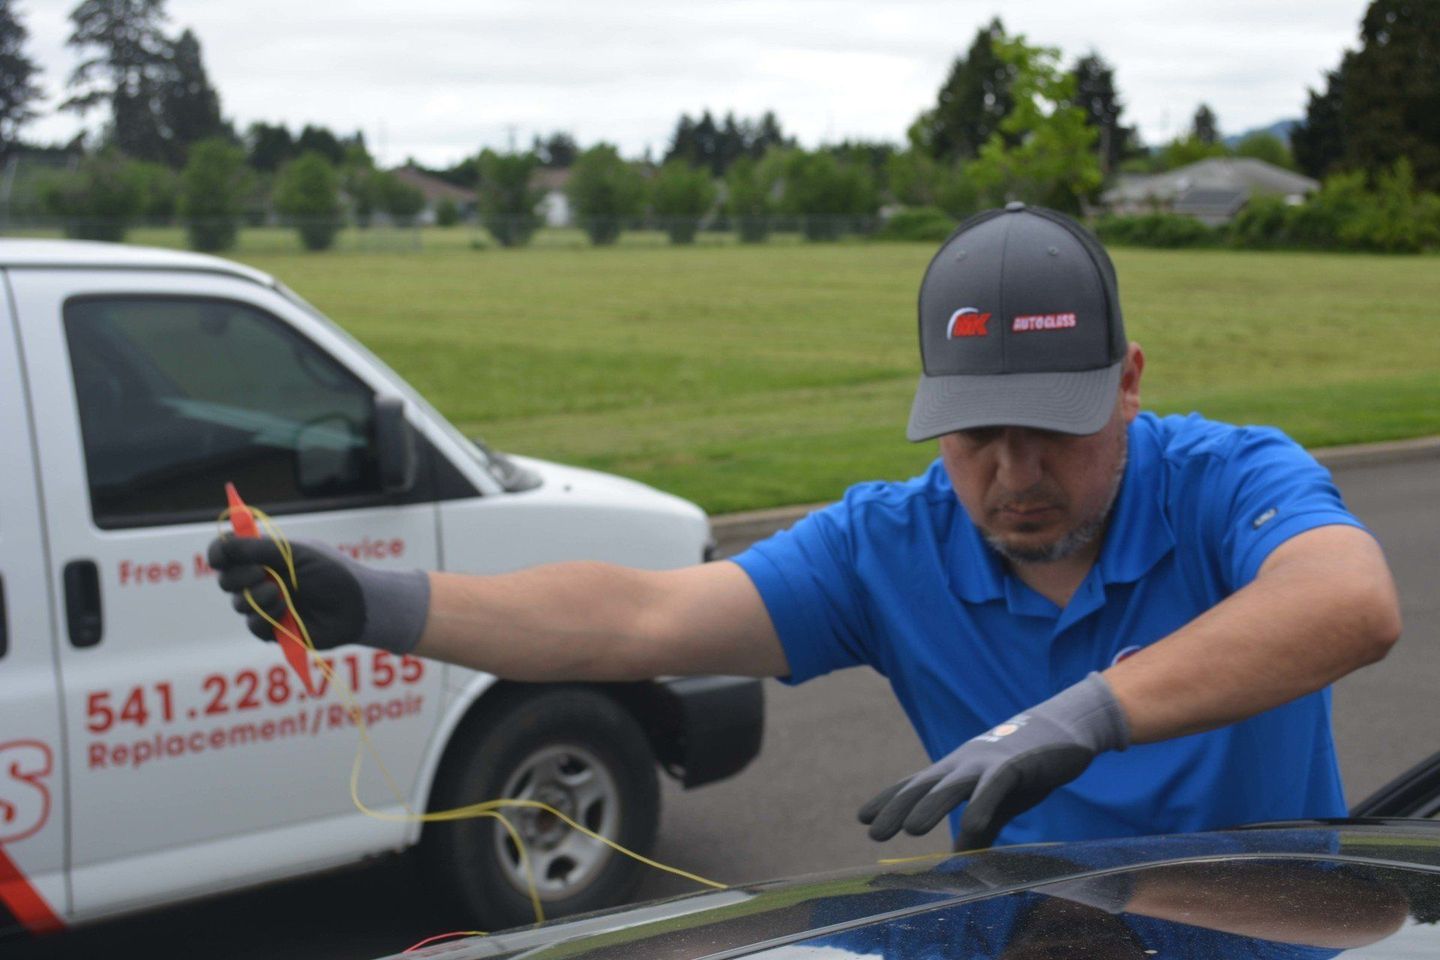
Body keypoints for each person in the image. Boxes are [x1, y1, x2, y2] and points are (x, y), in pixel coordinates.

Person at [209, 203, 1401, 852]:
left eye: (1056, 426)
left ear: (1129, 380)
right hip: (1036, 943)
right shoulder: (891, 546)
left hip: (1279, 936)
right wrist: (374, 603)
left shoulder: (1225, 478)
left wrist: (1081, 717)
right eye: (976, 434)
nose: (1014, 471)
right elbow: (639, 614)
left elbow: (1348, 601)